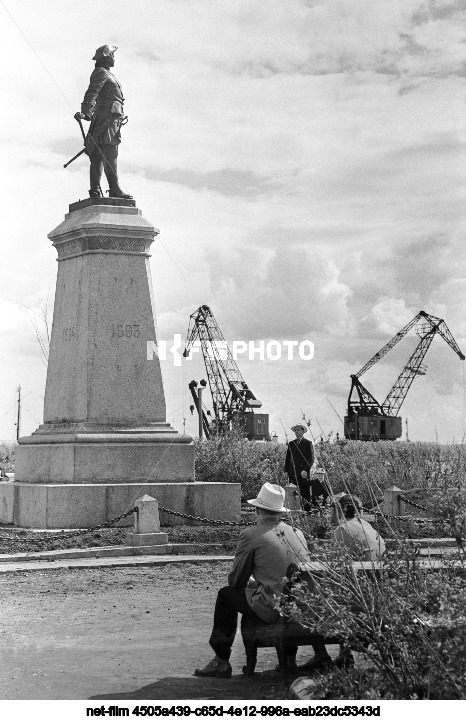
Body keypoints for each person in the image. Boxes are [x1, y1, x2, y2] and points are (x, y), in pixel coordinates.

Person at [194, 482, 311, 678]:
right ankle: (289, 658)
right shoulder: (297, 533)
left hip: (274, 606)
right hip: (301, 605)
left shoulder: (251, 535)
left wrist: (252, 583)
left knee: (225, 596)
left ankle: (221, 660)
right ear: (279, 511)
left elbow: (236, 582)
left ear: (257, 509)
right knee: (259, 592)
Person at [75, 44, 132, 199]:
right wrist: (86, 112)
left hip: (111, 119)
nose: (114, 57)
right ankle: (113, 188)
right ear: (107, 57)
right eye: (112, 55)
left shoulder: (107, 73)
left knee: (99, 154)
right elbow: (92, 92)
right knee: (108, 153)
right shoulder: (101, 73)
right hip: (105, 120)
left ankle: (95, 190)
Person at [285, 423, 325, 510]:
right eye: (295, 430)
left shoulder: (308, 443)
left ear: (303, 431)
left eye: (298, 430)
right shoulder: (291, 444)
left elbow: (310, 458)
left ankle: (307, 511)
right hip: (292, 472)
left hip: (303, 473)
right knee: (293, 492)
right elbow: (288, 458)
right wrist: (287, 471)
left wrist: (306, 470)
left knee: (305, 493)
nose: (296, 432)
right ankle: (294, 511)